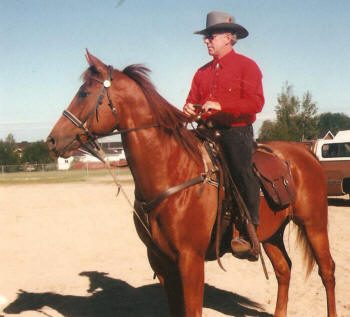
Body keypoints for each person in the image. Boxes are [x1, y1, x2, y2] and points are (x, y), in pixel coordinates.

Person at [183, 11, 264, 260]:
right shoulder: (201, 73)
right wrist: (187, 111)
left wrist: (222, 107)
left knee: (241, 170)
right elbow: (191, 102)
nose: (207, 40)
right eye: (206, 36)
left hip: (235, 131)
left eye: (211, 36)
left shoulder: (247, 66)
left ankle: (249, 232)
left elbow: (256, 102)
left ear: (229, 37)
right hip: (205, 131)